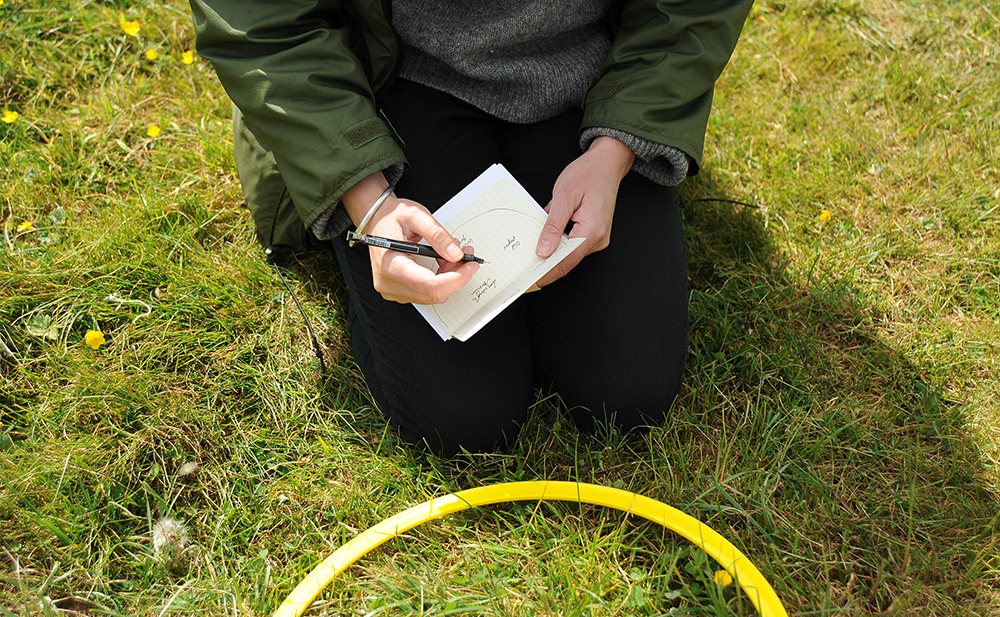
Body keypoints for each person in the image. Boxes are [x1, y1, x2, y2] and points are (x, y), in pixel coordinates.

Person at [189, 0, 754, 456]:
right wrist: (368, 202)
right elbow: (260, 26)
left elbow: (693, 13)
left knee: (625, 394)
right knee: (461, 418)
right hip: (392, 77)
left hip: (594, 73)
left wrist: (617, 148)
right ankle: (339, 192)